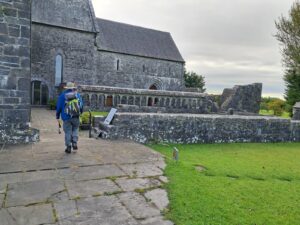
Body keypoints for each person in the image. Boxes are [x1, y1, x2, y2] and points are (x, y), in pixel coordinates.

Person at [56, 82, 83, 153]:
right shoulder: (77, 95)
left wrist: (57, 116)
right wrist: (80, 113)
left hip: (66, 117)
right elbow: (81, 105)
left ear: (66, 88)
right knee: (75, 129)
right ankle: (74, 142)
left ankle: (68, 147)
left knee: (68, 131)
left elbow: (58, 107)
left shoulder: (62, 95)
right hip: (76, 116)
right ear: (73, 87)